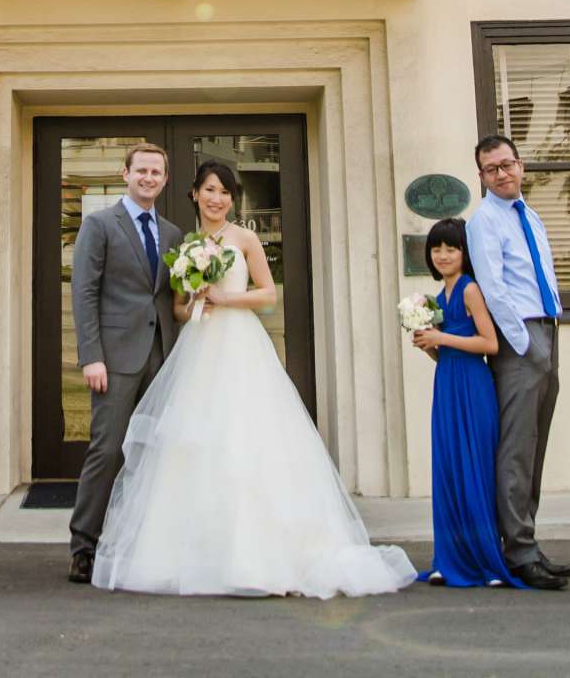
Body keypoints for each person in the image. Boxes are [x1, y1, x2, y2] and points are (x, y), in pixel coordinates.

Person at [92, 159, 415, 597]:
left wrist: (227, 297)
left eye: (224, 191)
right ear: (193, 194)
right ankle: (198, 552)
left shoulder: (244, 239)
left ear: (231, 198)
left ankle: (261, 554)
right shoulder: (185, 244)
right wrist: (199, 299)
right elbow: (178, 310)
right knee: (195, 444)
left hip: (241, 346)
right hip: (200, 349)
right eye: (208, 190)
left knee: (249, 439)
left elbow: (267, 294)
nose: (216, 198)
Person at [67, 142, 182, 585]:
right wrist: (91, 356)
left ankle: (138, 543)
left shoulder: (172, 234)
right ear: (125, 173)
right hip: (114, 358)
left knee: (152, 452)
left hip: (162, 355)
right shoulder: (99, 225)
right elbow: (84, 292)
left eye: (157, 172)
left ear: (165, 179)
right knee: (107, 449)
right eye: (142, 171)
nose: (149, 178)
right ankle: (84, 546)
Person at [466, 134, 570, 590]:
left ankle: (528, 539)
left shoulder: (529, 215)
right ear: (482, 177)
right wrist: (524, 344)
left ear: (521, 165)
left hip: (548, 329)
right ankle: (518, 551)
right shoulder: (484, 221)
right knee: (515, 448)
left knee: (535, 445)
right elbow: (495, 288)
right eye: (492, 169)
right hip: (521, 340)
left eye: (507, 164)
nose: (502, 173)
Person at [407, 218, 522, 589]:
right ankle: (450, 558)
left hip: (473, 387)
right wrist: (429, 345)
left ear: (464, 253)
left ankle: (485, 562)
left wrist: (442, 336)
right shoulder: (439, 295)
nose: (442, 255)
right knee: (450, 470)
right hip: (448, 385)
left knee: (474, 469)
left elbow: (489, 344)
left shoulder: (470, 289)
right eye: (437, 248)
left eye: (451, 248)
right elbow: (447, 354)